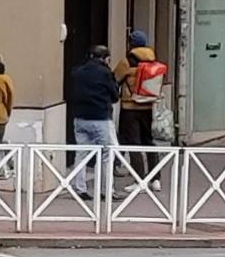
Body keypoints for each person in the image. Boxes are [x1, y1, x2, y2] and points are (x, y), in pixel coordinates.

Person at [65, 42, 122, 199]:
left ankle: (79, 188)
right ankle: (106, 190)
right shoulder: (105, 73)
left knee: (82, 153)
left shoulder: (77, 72)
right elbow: (115, 96)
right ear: (105, 59)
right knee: (107, 153)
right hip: (100, 118)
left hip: (80, 117)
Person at [116, 31, 168, 147]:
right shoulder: (152, 60)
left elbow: (115, 78)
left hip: (130, 107)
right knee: (148, 140)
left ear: (130, 44)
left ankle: (136, 166)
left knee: (133, 143)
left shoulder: (127, 62)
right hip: (148, 106)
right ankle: (154, 165)